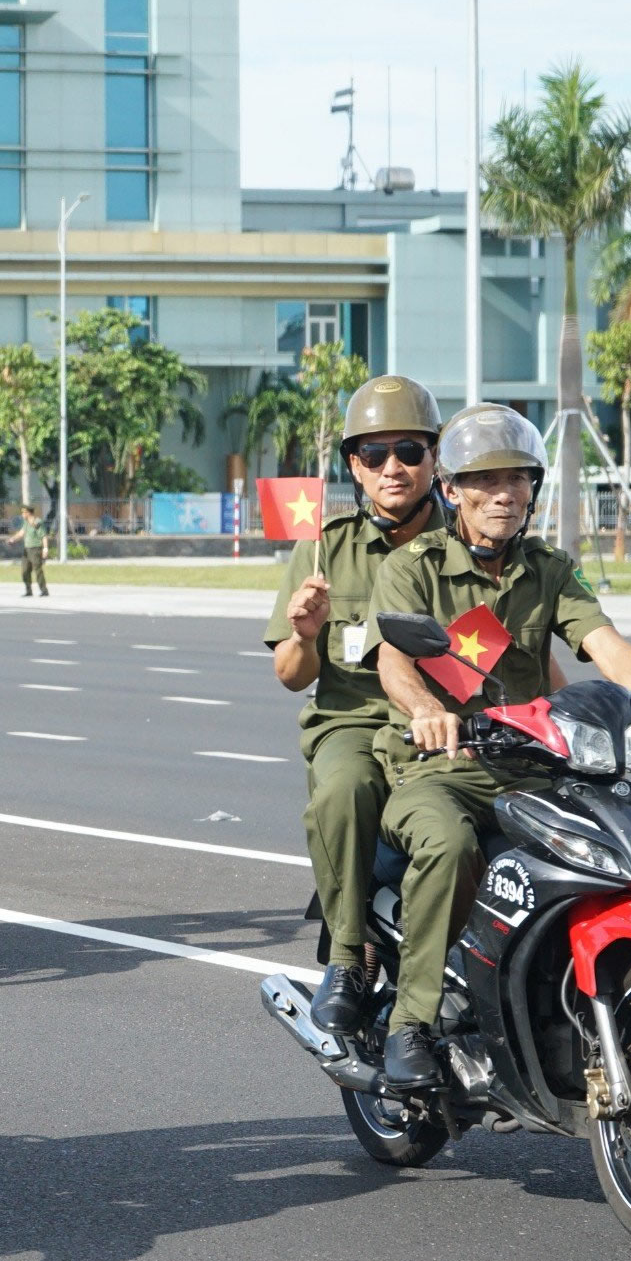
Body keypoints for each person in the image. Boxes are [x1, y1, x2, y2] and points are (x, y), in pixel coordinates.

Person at [367, 404, 631, 1086]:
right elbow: (394, 660)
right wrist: (426, 711)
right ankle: (410, 1024)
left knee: (624, 838)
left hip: (536, 765)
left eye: (518, 480)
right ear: (451, 491)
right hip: (442, 767)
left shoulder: (549, 569)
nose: (505, 494)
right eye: (486, 481)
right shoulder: (414, 567)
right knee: (448, 843)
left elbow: (605, 645)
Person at [265, 376, 451, 1033]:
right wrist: (304, 634)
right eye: (375, 455)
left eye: (409, 450)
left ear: (435, 458)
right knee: (343, 789)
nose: (393, 467)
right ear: (354, 466)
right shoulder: (327, 546)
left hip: (447, 724)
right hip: (353, 721)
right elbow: (292, 675)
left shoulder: (470, 547)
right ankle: (348, 955)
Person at [17, 503, 50, 597]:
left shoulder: (38, 522)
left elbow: (43, 536)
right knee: (25, 571)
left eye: (23, 512)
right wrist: (12, 539)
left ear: (28, 513)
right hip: (26, 550)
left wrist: (45, 549)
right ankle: (28, 591)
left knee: (38, 570)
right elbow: (21, 533)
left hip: (36, 549)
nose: (22, 514)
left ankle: (44, 590)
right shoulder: (26, 523)